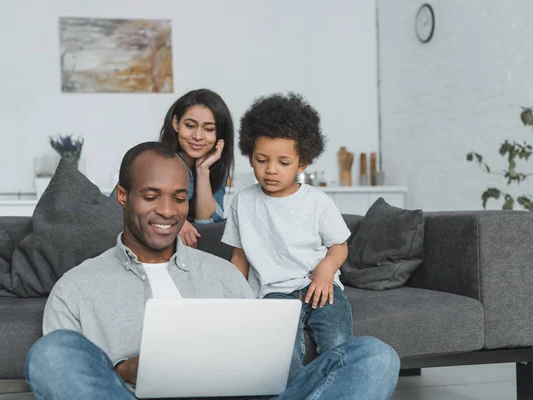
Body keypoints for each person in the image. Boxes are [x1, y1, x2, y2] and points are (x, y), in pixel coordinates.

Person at [25, 141, 400, 400]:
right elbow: (73, 378)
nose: (168, 211)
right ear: (123, 196)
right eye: (151, 196)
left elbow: (264, 367)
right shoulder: (76, 287)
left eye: (179, 197)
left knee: (373, 356)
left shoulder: (223, 276)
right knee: (52, 353)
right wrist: (121, 370)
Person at [222, 93, 354, 383]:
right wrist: (234, 299)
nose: (271, 169)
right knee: (282, 360)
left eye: (283, 162)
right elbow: (239, 258)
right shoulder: (242, 202)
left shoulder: (317, 201)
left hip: (322, 289)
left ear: (302, 162)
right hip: (274, 294)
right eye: (261, 160)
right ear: (250, 156)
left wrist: (326, 268)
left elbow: (339, 246)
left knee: (338, 345)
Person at [110, 88, 235, 248]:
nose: (197, 136)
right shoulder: (153, 160)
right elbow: (114, 209)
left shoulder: (212, 167)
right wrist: (176, 223)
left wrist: (203, 171)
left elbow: (206, 223)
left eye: (209, 129)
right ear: (176, 123)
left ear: (220, 135)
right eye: (190, 126)